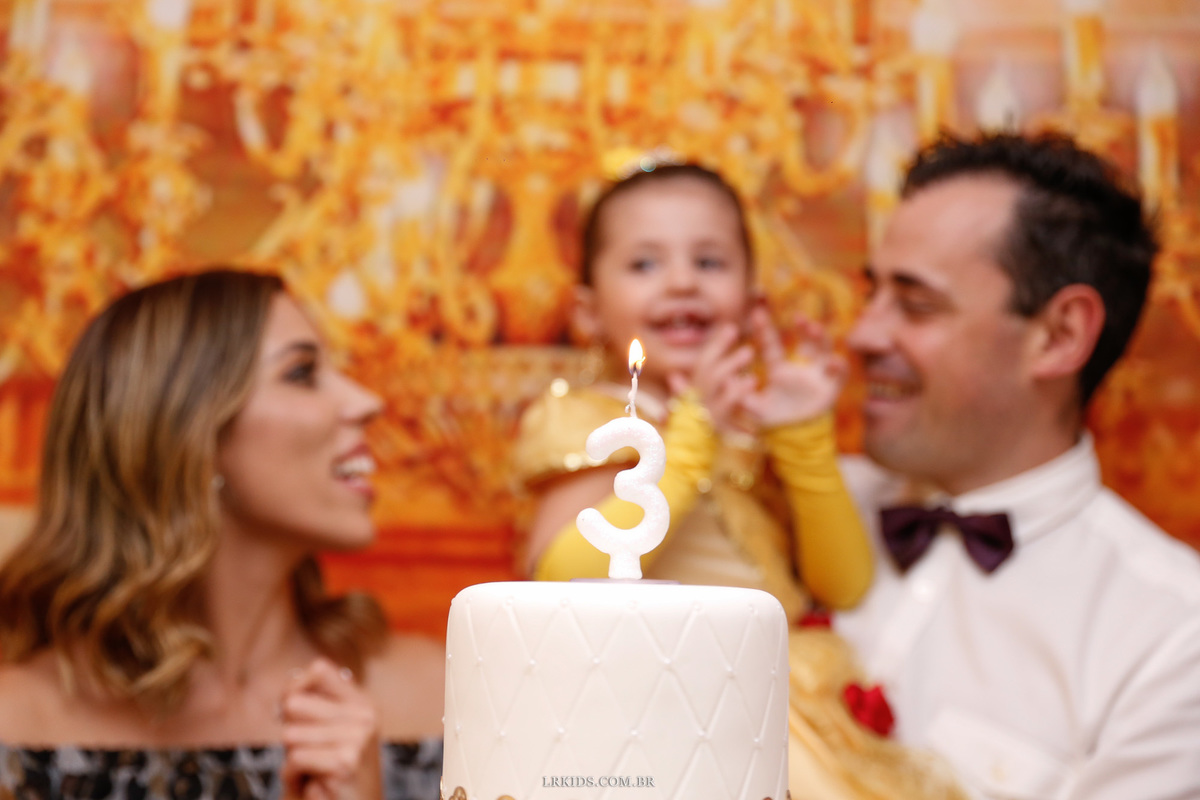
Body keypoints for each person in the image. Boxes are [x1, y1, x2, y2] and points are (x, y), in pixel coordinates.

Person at [513, 161, 966, 799]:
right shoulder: (595, 418)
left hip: (780, 703)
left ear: (753, 303)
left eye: (710, 262)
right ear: (587, 313)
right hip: (662, 706)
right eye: (644, 264)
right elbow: (561, 579)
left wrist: (803, 441)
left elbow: (842, 584)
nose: (682, 282)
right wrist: (686, 445)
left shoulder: (752, 429)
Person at [835, 132, 1200, 799]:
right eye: (872, 294)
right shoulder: (796, 502)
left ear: (1059, 336)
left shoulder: (1172, 641)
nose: (861, 335)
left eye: (916, 304)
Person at [0, 269, 444, 800]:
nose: (368, 401)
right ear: (189, 435)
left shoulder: (441, 700)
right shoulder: (16, 726)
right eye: (301, 373)